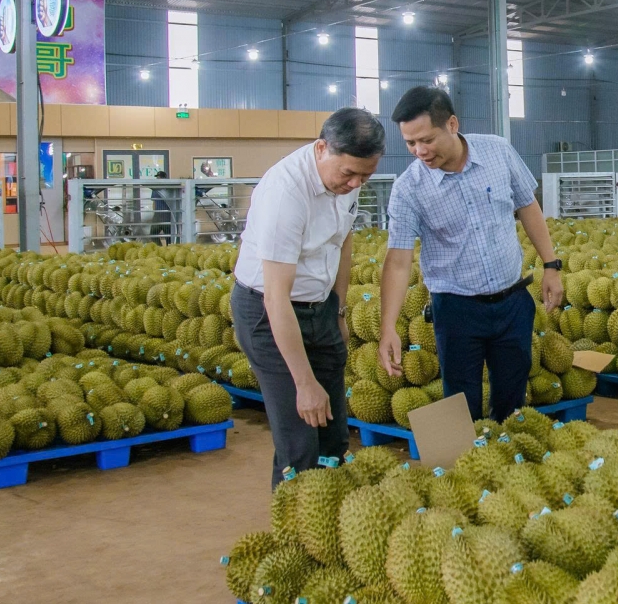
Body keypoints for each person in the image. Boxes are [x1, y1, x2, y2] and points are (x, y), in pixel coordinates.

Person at [378, 86, 563, 422]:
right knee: (461, 403)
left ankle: (506, 460)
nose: (419, 151)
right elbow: (398, 262)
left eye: (426, 139)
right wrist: (387, 326)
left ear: (451, 124)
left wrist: (551, 266)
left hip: (512, 301)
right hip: (456, 308)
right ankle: (465, 469)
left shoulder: (497, 151)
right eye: (410, 143)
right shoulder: (408, 189)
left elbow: (528, 206)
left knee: (512, 396)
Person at [231, 107, 385, 488]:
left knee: (332, 433)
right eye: (348, 173)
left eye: (365, 176)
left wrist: (339, 311)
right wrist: (303, 382)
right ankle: (295, 535)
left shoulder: (349, 182)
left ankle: (333, 524)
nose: (355, 184)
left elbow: (343, 239)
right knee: (300, 435)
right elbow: (276, 298)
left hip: (320, 306)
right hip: (269, 313)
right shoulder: (285, 193)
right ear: (321, 149)